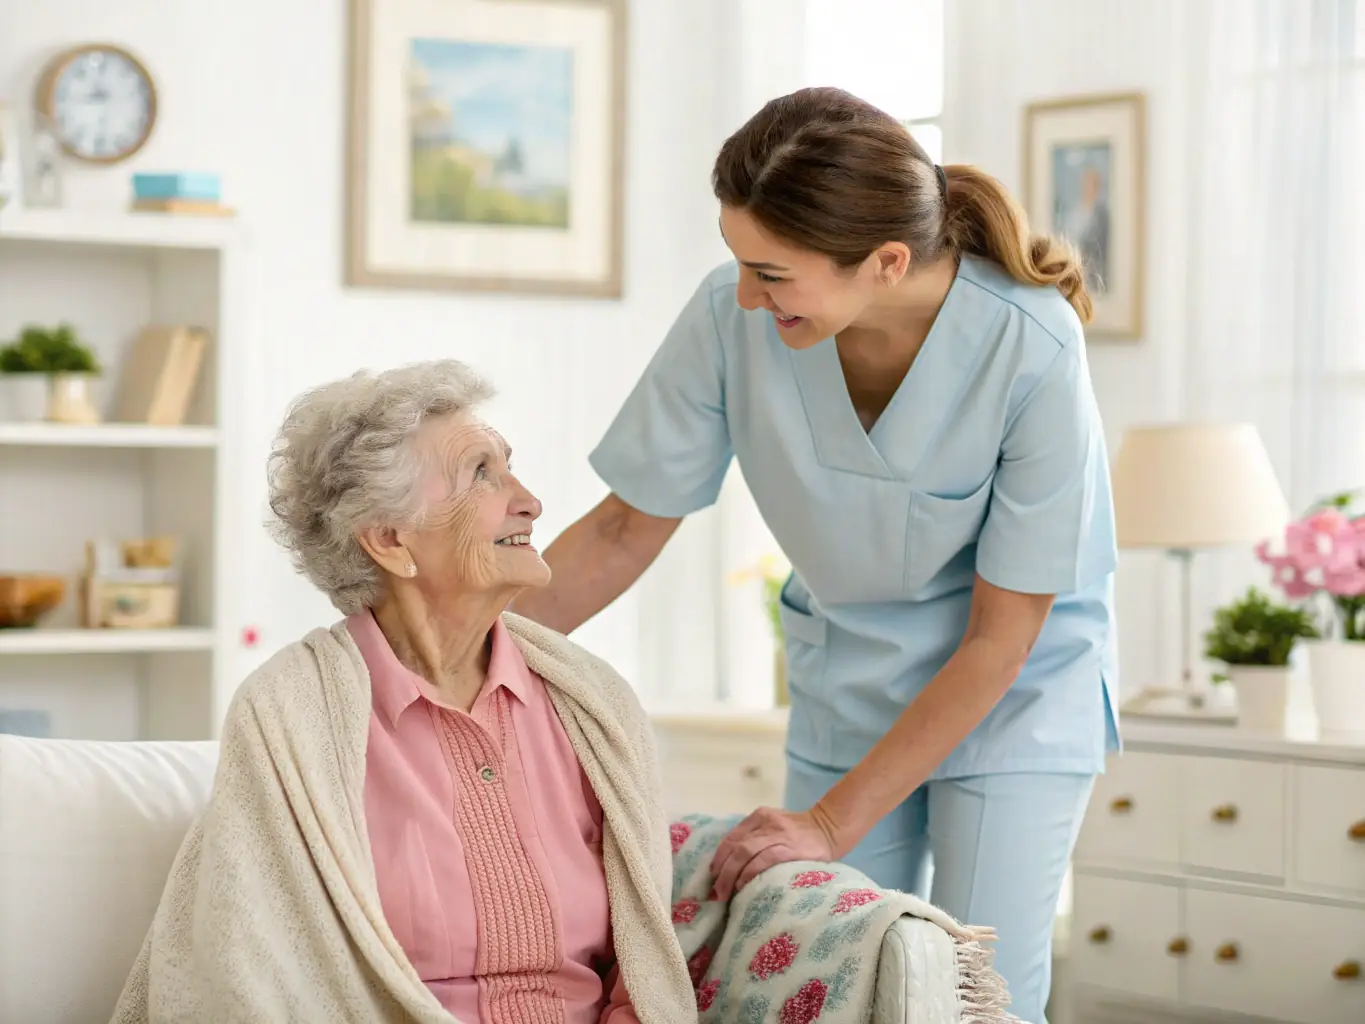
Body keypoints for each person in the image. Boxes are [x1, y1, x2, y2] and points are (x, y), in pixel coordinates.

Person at [510, 87, 1120, 1024]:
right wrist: (455, 645)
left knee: (976, 994)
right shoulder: (732, 314)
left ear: (883, 261)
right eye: (739, 263)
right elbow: (625, 528)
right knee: (823, 979)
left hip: (1011, 700)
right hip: (848, 680)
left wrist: (830, 823)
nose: (748, 295)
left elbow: (1001, 639)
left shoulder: (1031, 346)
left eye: (773, 273)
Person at [111, 360, 694, 1024]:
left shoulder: (589, 701)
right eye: (482, 474)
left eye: (511, 467)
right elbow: (255, 965)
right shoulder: (291, 712)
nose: (529, 500)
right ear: (390, 540)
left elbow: (638, 964)